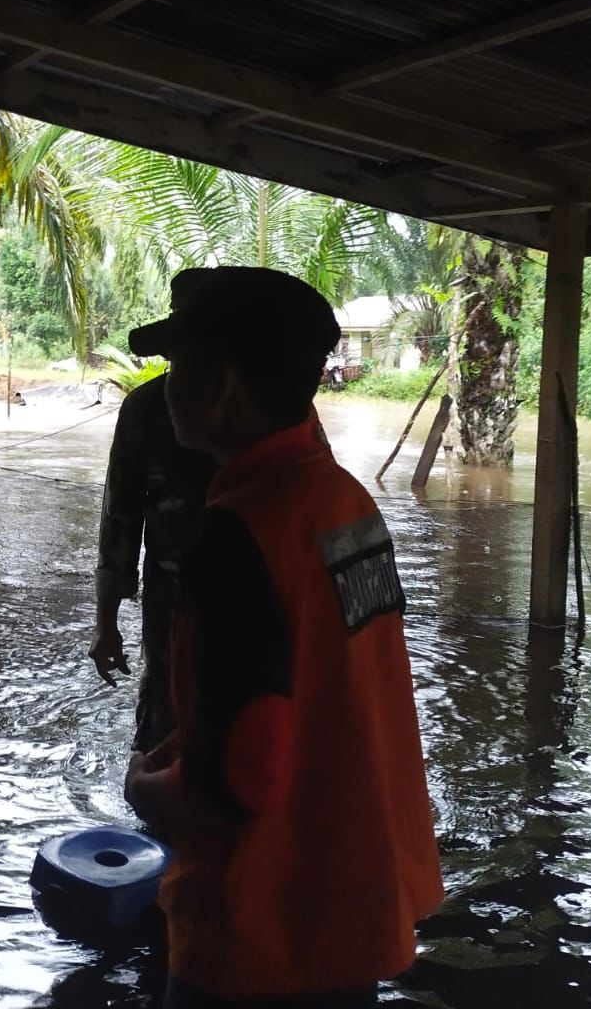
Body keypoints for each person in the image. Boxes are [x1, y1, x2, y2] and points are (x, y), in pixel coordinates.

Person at [121, 267, 442, 1008]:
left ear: (223, 384)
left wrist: (147, 789)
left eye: (178, 367)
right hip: (355, 900)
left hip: (261, 927)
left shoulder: (237, 535)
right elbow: (322, 678)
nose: (167, 387)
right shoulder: (345, 501)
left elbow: (243, 777)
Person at [90, 270, 218, 754]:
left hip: (247, 600)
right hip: (170, 600)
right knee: (165, 713)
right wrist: (107, 623)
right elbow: (119, 516)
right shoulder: (145, 409)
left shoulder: (274, 413)